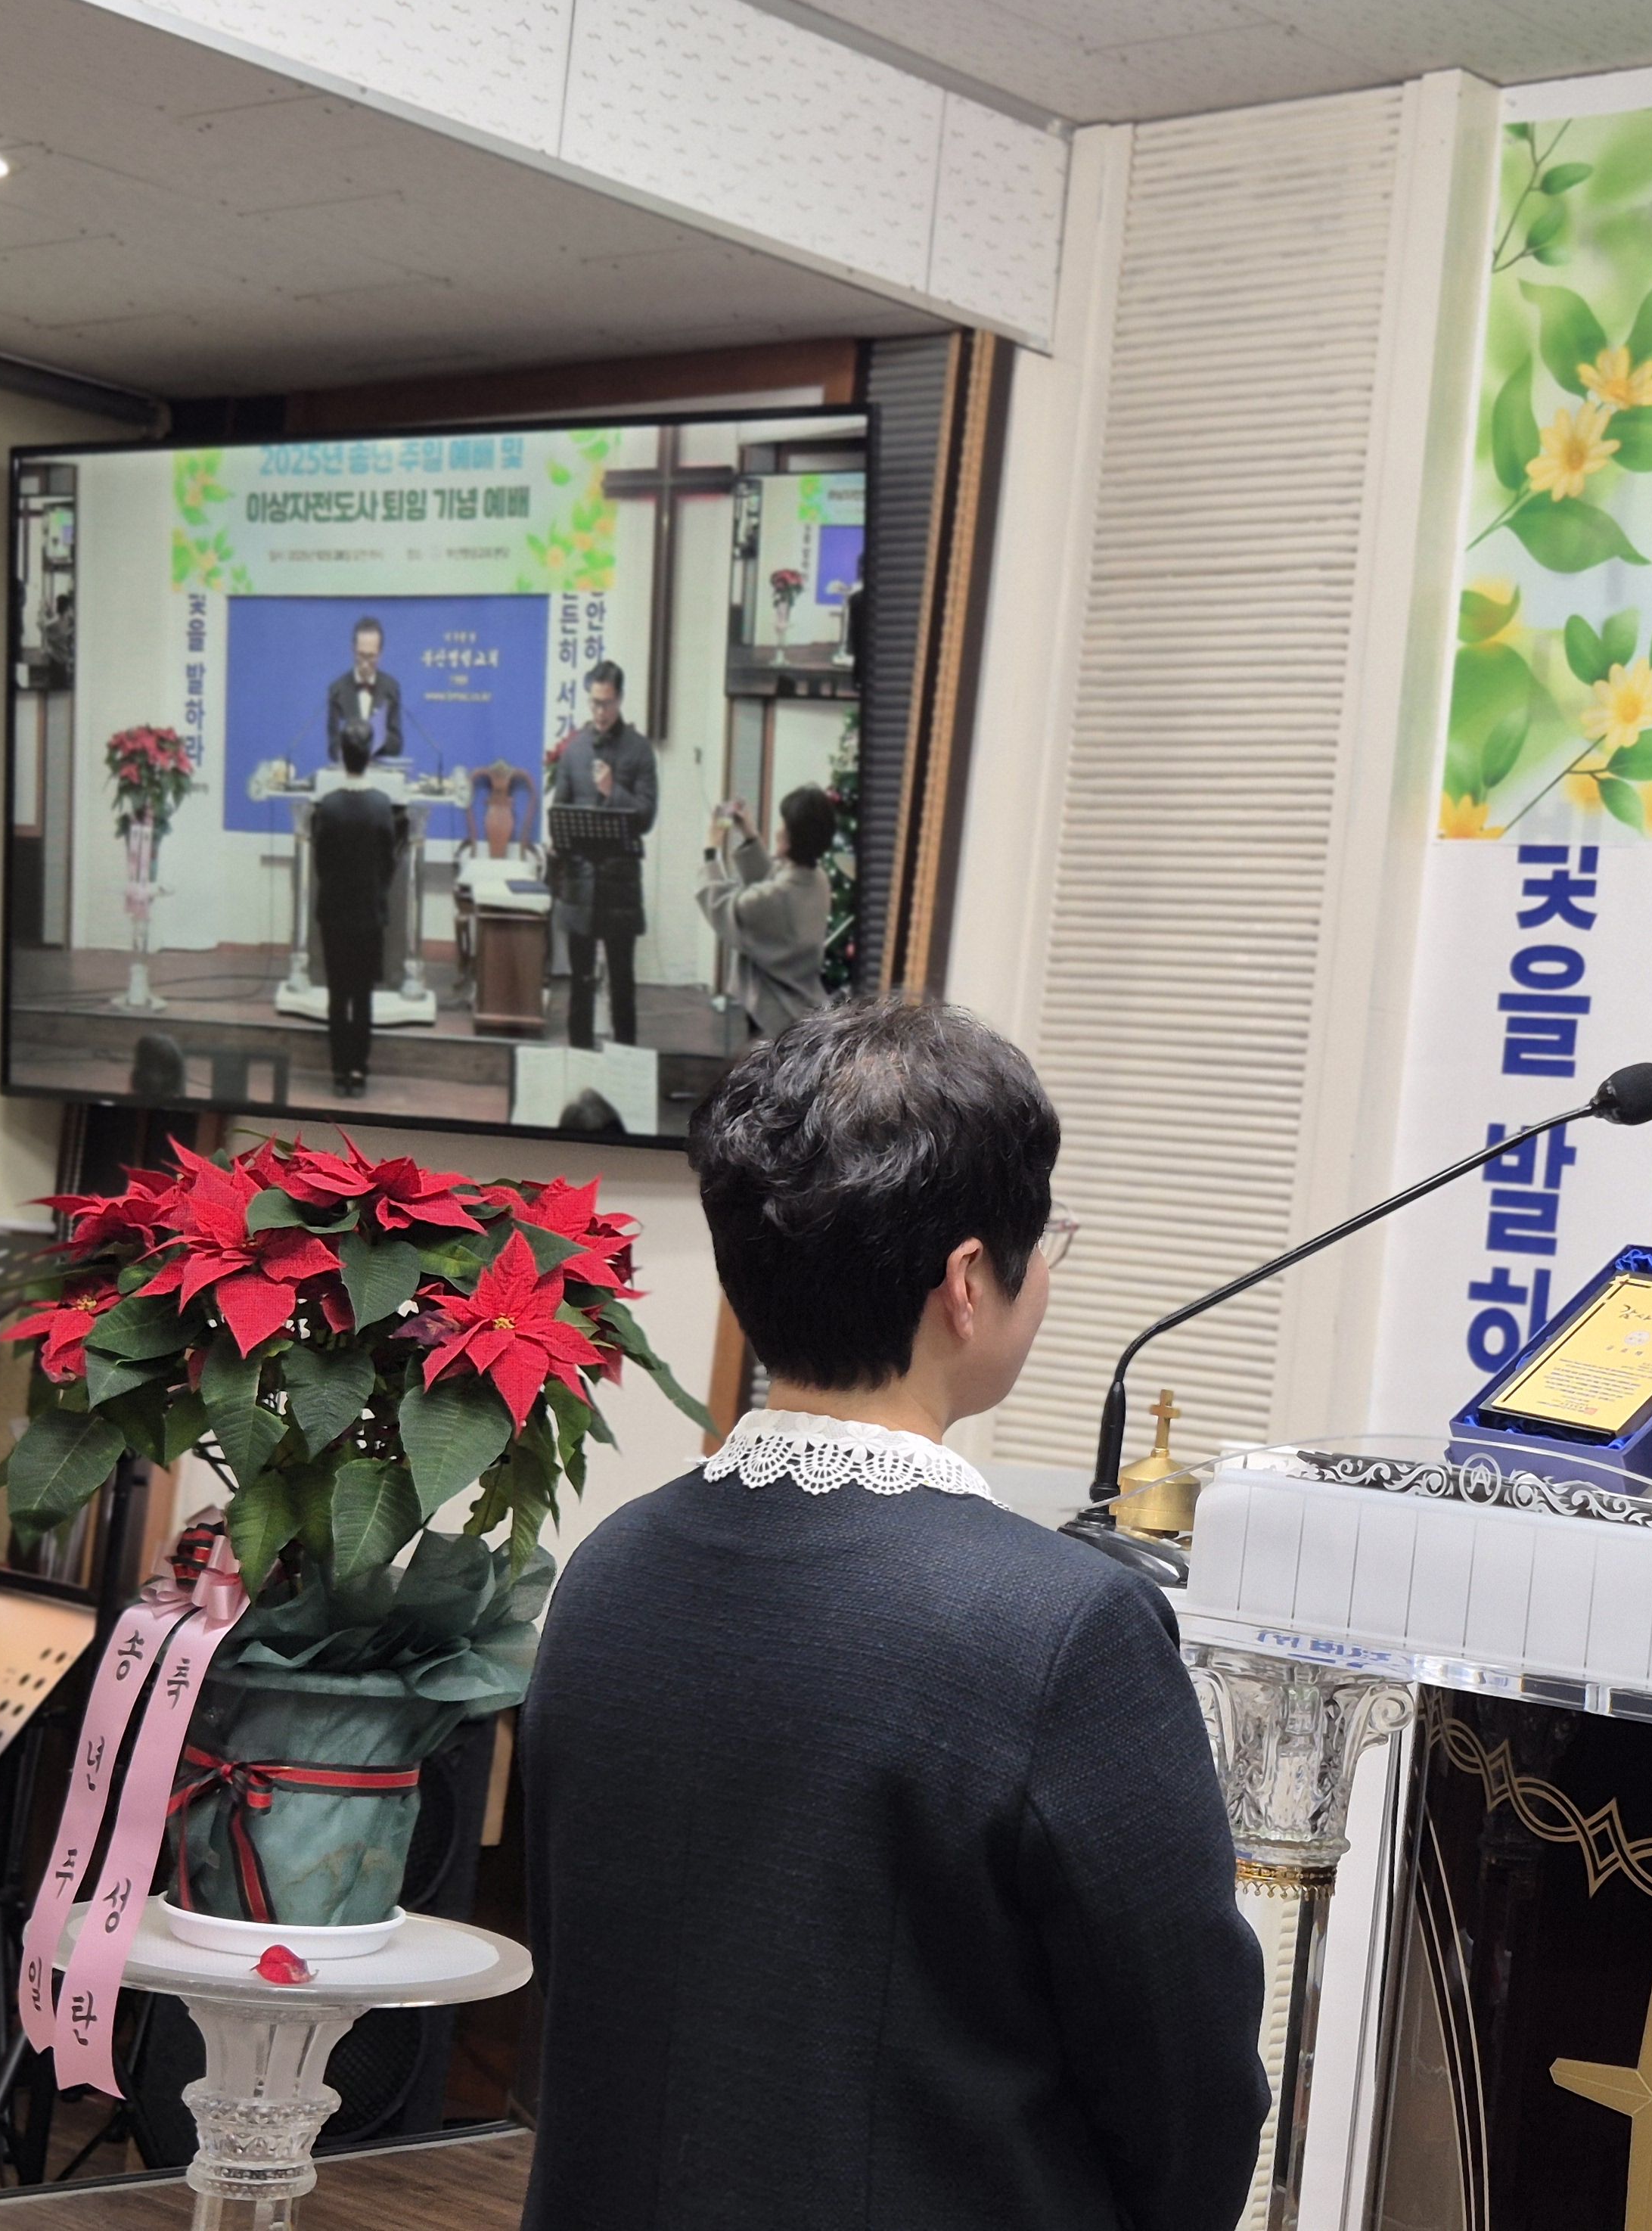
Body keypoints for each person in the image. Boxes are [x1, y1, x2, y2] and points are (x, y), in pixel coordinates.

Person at [520, 997, 1267, 2231]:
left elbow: (588, 1980)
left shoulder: (609, 1572)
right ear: (968, 1283)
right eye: (1041, 1240)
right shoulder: (1064, 1631)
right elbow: (1186, 2083)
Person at [546, 660, 657, 1049]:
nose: (600, 711)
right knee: (580, 983)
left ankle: (625, 1063)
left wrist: (613, 792)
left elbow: (647, 815)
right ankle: (578, 1057)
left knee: (622, 982)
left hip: (620, 885)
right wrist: (559, 837)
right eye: (594, 702)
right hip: (579, 883)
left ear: (620, 699)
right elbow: (559, 810)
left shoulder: (639, 749)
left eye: (606, 703)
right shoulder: (574, 750)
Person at [697, 785, 837, 1040]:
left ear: (794, 837)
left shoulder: (776, 898)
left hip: (772, 1016)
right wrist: (749, 835)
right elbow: (773, 886)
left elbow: (720, 903)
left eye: (783, 824)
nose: (777, 830)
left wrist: (711, 850)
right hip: (803, 1008)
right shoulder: (818, 880)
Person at [309, 718, 403, 1100]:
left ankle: (337, 1072)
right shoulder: (381, 806)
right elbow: (389, 863)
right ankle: (358, 1071)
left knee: (338, 994)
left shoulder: (329, 806)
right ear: (369, 757)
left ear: (342, 756)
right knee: (363, 995)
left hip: (334, 912)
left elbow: (320, 862)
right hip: (368, 914)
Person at [324, 615, 405, 763]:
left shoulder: (391, 689)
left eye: (371, 656)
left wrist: (374, 737)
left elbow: (397, 745)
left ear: (380, 653)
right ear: (353, 650)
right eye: (361, 655)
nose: (365, 664)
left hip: (380, 771)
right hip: (347, 771)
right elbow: (333, 747)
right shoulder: (337, 690)